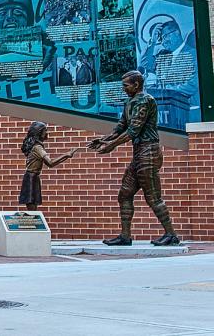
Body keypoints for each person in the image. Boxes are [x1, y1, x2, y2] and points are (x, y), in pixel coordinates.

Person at [88, 70, 181, 246]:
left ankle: (171, 234)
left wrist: (112, 145)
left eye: (126, 85)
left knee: (153, 197)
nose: (123, 89)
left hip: (149, 152)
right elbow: (121, 126)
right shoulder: (129, 101)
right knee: (125, 194)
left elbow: (133, 130)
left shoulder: (146, 100)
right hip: (138, 153)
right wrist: (104, 139)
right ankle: (125, 236)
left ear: (136, 85)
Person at [18, 122, 78, 211]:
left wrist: (66, 156)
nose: (47, 133)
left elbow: (50, 164)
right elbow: (50, 162)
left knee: (33, 206)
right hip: (31, 178)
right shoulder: (37, 147)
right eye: (45, 131)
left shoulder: (37, 146)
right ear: (39, 132)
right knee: (32, 207)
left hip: (33, 177)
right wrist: (66, 154)